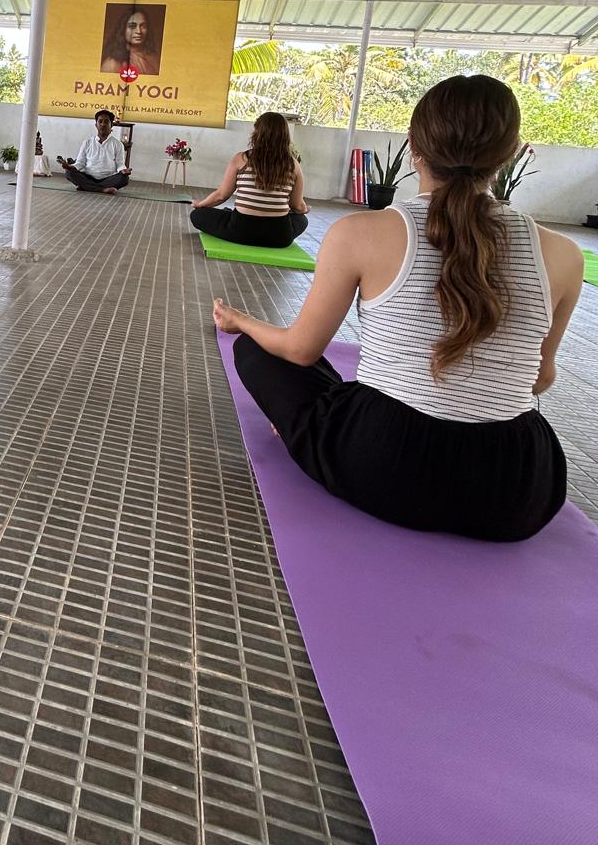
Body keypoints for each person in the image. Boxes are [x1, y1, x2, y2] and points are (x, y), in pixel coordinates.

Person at [214, 75, 583, 542]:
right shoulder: (564, 255)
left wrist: (240, 320)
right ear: (510, 155)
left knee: (257, 351)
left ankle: (297, 427)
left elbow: (300, 351)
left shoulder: (359, 233)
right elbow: (540, 378)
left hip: (386, 467)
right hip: (515, 491)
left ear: (413, 147)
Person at [190, 112, 308, 247]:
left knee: (198, 215)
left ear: (257, 133)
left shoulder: (241, 159)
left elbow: (221, 195)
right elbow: (297, 206)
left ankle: (229, 215)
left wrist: (200, 205)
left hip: (240, 231)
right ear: (285, 136)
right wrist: (305, 209)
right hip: (279, 237)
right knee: (302, 220)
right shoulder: (293, 165)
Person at [57, 110, 131, 193]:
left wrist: (123, 170)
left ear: (111, 125)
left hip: (108, 178)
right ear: (96, 125)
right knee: (69, 173)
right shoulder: (87, 142)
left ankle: (86, 186)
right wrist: (71, 167)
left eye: (106, 122)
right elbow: (80, 163)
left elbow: (120, 164)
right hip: (88, 176)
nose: (103, 124)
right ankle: (102, 189)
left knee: (124, 179)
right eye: (100, 121)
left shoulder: (118, 144)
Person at [100, 7, 160, 75]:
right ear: (123, 29)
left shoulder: (154, 58)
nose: (138, 31)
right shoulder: (112, 64)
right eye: (132, 26)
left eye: (143, 26)